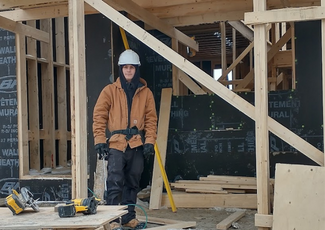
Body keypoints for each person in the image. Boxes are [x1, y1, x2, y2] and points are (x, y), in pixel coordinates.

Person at [93, 49, 158, 230]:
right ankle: (112, 220)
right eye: (125, 67)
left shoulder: (146, 93)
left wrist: (150, 142)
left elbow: (152, 120)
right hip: (116, 143)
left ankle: (129, 217)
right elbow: (99, 116)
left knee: (133, 182)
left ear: (137, 69)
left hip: (136, 143)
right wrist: (100, 139)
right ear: (121, 69)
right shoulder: (109, 91)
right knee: (114, 182)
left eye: (132, 67)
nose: (128, 71)